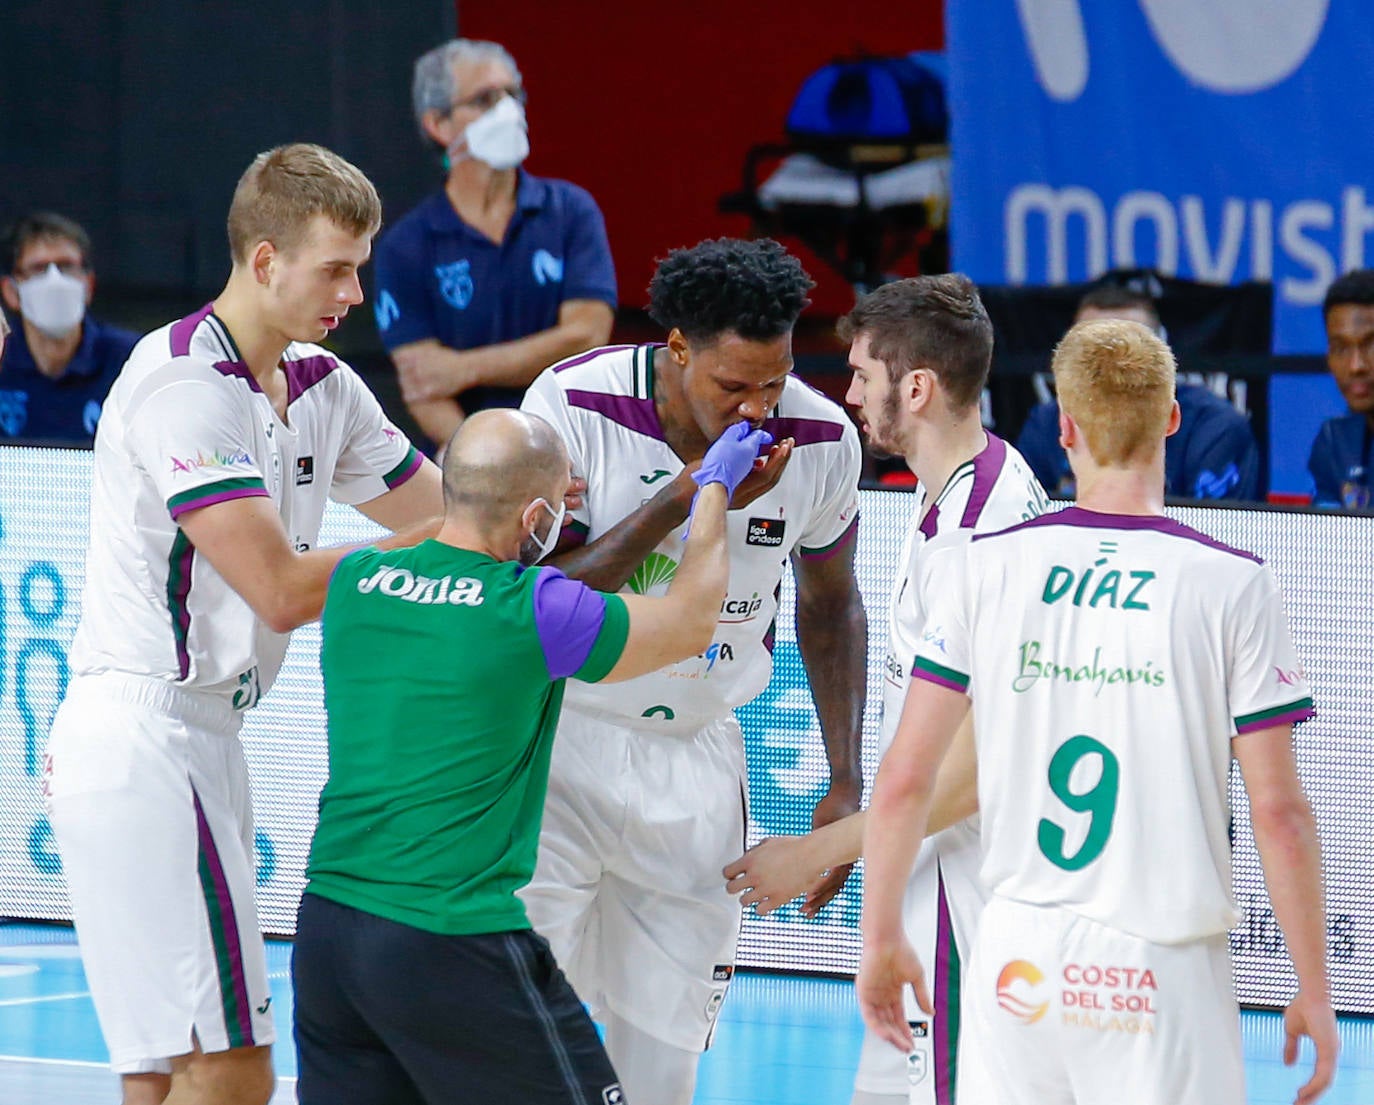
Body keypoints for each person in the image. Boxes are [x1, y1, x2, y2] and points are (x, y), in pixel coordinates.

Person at [43, 143, 445, 1105]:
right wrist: (455, 535)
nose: (356, 291)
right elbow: (278, 587)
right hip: (150, 735)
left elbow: (440, 513)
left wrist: (525, 504)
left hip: (192, 739)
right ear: (265, 262)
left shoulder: (323, 385)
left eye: (363, 263)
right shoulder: (183, 381)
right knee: (232, 1071)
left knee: (162, 1074)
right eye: (336, 267)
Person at [859, 318, 1338, 1105]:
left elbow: (906, 778)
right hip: (1161, 966)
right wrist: (1313, 987)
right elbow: (1280, 812)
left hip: (1016, 960)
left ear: (1066, 427)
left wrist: (879, 938)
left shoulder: (984, 565)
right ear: (1173, 418)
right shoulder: (1233, 583)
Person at [293, 408, 767, 1105]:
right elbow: (693, 621)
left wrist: (512, 496)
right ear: (540, 514)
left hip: (330, 932)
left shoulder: (356, 582)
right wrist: (713, 491)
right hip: (453, 937)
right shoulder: (530, 611)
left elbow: (454, 531)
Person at [517, 236, 867, 1105]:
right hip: (560, 745)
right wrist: (692, 494)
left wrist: (846, 777)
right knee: (514, 1041)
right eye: (731, 386)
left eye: (774, 380)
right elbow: (540, 601)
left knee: (663, 1070)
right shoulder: (571, 402)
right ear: (677, 348)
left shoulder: (820, 439)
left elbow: (831, 607)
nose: (756, 408)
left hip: (698, 759)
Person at [722, 274, 1047, 1105]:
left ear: (917, 388)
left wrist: (811, 852)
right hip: (927, 886)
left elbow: (970, 777)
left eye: (863, 374)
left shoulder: (984, 531)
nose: (851, 393)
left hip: (973, 904)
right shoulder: (960, 489)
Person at [374, 38, 617, 452]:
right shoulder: (407, 246)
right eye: (486, 99)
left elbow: (586, 337)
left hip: (577, 445)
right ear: (439, 124)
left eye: (513, 94)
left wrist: (463, 368)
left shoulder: (570, 211)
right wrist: (492, 459)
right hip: (474, 457)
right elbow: (425, 383)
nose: (509, 110)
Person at [1016, 272, 1260, 501]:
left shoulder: (1217, 428)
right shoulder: (1045, 423)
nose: (1113, 367)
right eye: (1093, 354)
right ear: (1066, 429)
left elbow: (1218, 534)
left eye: (1132, 350)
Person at [0, 212, 139, 443]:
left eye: (66, 267)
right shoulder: (2, 357)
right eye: (38, 268)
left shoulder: (130, 358)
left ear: (88, 285)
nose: (54, 281)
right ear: (11, 291)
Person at [1309, 269, 1374, 509]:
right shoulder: (1334, 442)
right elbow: (1325, 542)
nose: (1356, 366)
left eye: (1370, 345)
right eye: (1341, 348)